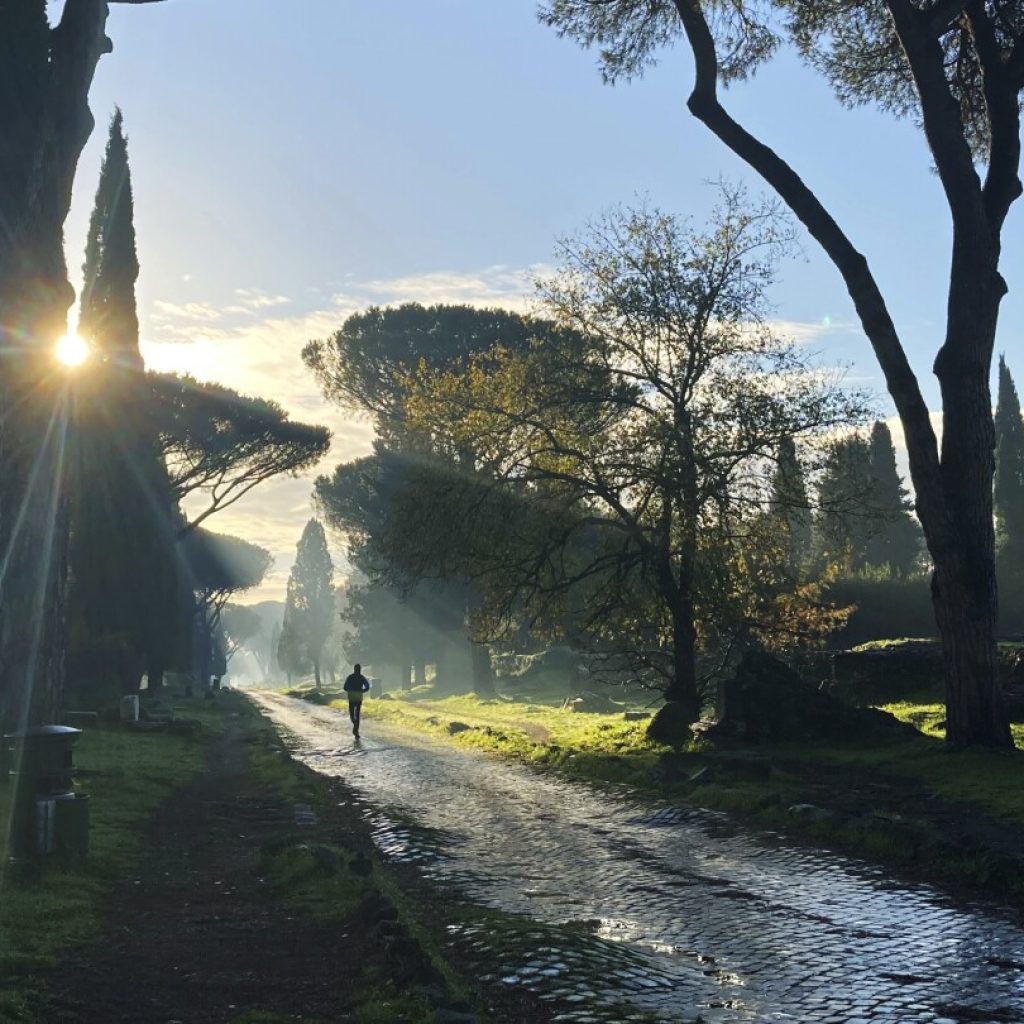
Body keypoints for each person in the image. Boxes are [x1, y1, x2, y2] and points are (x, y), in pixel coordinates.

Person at [343, 663, 370, 738]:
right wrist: (362, 691)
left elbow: (345, 687)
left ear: (354, 669)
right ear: (360, 669)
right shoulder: (362, 677)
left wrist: (350, 690)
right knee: (357, 714)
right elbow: (367, 687)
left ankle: (354, 724)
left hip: (351, 697)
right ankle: (356, 730)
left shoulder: (350, 677)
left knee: (352, 714)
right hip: (358, 697)